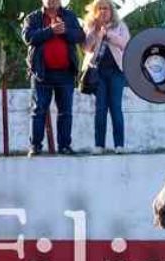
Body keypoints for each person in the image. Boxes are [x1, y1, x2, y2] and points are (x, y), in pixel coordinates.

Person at [22, 0, 86, 157]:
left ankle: (64, 146)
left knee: (65, 112)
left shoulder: (69, 16)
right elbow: (28, 37)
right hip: (41, 73)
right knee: (38, 111)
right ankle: (35, 146)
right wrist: (50, 31)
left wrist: (64, 31)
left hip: (66, 73)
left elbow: (80, 35)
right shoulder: (33, 18)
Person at [83, 0, 130, 154]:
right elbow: (86, 47)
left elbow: (126, 44)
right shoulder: (91, 26)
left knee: (115, 107)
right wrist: (96, 32)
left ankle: (119, 145)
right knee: (100, 109)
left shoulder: (120, 26)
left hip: (117, 72)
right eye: (100, 8)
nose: (103, 11)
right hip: (98, 73)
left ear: (111, 11)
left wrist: (108, 35)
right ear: (95, 11)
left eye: (106, 8)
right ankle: (99, 145)